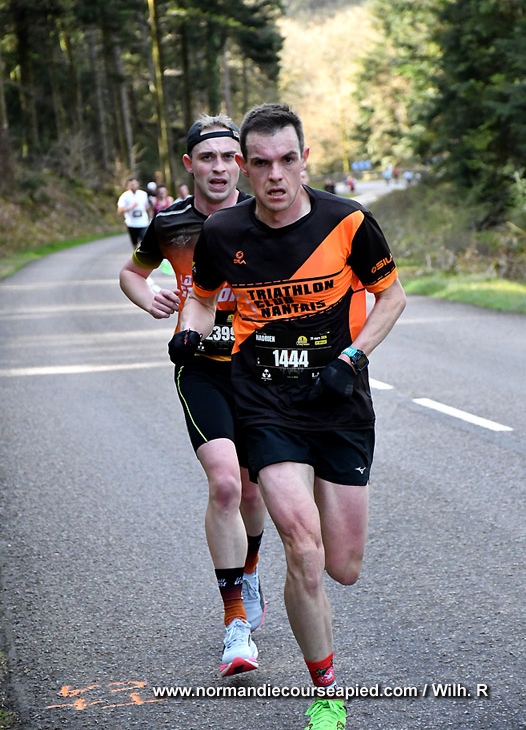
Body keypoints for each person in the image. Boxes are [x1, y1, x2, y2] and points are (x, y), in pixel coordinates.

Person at [173, 103, 406, 728]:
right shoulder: (223, 233)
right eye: (261, 163)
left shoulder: (348, 221)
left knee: (342, 566)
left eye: (286, 160)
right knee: (303, 547)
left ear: (305, 159)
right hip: (266, 404)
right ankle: (326, 694)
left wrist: (352, 357)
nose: (275, 175)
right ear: (245, 167)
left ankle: (305, 596)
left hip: (339, 402)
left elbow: (391, 297)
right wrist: (190, 333)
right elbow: (201, 301)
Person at [119, 114, 267, 678]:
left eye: (230, 157)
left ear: (242, 163)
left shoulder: (263, 216)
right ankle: (235, 625)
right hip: (200, 368)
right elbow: (132, 273)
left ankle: (249, 572)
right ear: (189, 164)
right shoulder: (171, 222)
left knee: (252, 491)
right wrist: (149, 297)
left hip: (259, 372)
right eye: (208, 157)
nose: (220, 167)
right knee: (225, 483)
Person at [116, 177, 151, 247]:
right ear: (127, 187)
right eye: (131, 185)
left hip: (143, 222)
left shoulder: (143, 194)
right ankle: (136, 253)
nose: (133, 186)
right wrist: (130, 207)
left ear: (137, 184)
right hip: (131, 223)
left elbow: (147, 207)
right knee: (135, 243)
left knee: (145, 241)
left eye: (135, 184)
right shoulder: (124, 196)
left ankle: (144, 253)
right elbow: (119, 211)